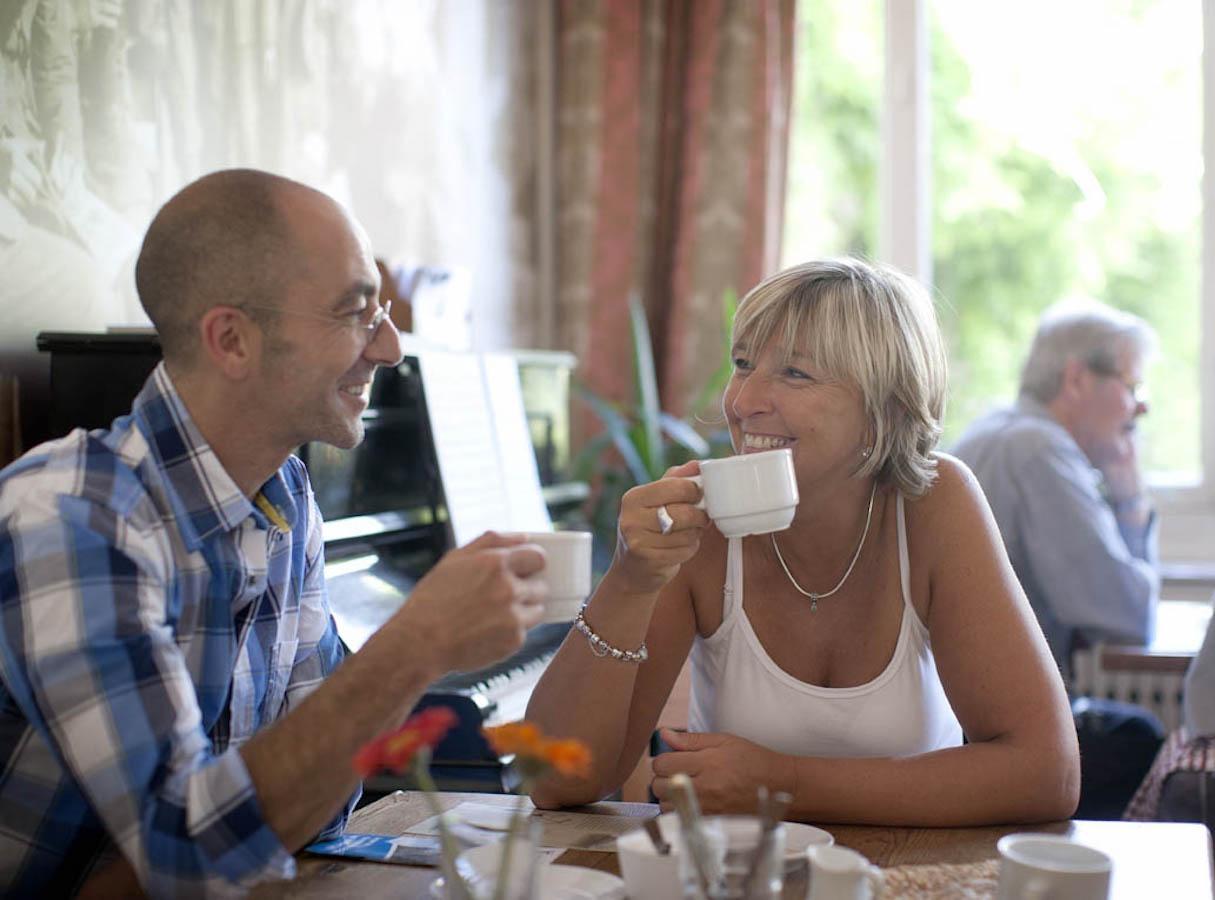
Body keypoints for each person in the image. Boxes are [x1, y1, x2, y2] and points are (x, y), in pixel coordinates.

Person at [0, 169, 549, 895]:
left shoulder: (285, 495)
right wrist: (416, 643)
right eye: (356, 312)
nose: (388, 348)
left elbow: (311, 817)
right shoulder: (72, 517)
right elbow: (188, 854)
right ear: (232, 340)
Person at [527, 258, 1079, 826]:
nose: (742, 402)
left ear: (884, 408)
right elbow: (553, 781)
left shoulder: (934, 504)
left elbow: (1046, 773)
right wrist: (629, 579)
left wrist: (782, 784)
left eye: (795, 373)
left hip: (909, 876)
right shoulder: (704, 522)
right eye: (743, 364)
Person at [952, 302, 1163, 819]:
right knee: (1141, 738)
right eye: (1132, 387)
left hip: (960, 717)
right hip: (992, 735)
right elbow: (1128, 616)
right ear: (1076, 379)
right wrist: (1130, 500)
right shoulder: (1041, 452)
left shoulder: (992, 431)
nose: (1141, 409)